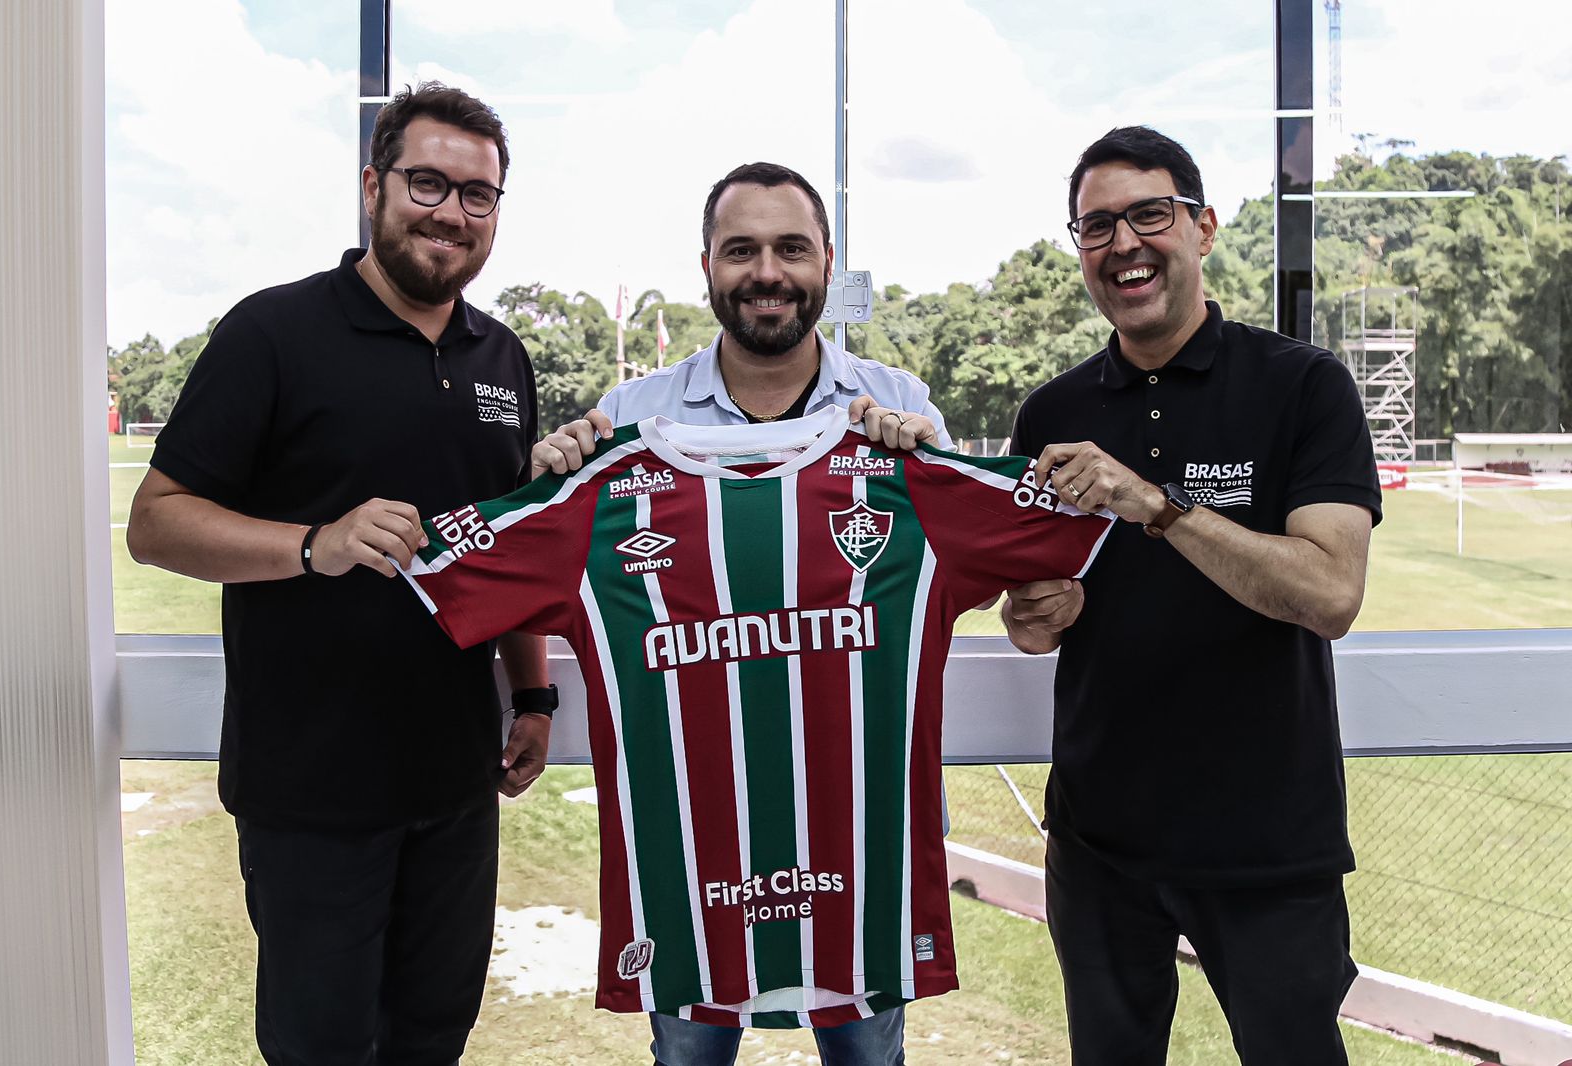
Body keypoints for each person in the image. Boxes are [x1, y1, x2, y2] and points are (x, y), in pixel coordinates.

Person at [125, 82, 555, 1066]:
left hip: (456, 785)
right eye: (427, 182)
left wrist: (531, 694)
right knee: (321, 1049)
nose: (450, 210)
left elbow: (503, 546)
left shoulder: (504, 358)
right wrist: (314, 543)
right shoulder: (274, 332)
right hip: (312, 795)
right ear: (375, 185)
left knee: (432, 1039)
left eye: (476, 193)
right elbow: (156, 523)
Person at [534, 162, 946, 1066]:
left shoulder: (903, 410)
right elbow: (532, 570)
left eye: (790, 248)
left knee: (867, 1059)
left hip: (860, 839)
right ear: (708, 267)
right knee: (689, 1060)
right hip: (689, 845)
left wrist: (928, 472)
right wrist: (547, 485)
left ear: (827, 264)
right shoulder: (627, 422)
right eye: (742, 250)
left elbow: (1006, 592)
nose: (768, 271)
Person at [1001, 125, 1381, 1066]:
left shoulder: (1304, 387)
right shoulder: (1050, 414)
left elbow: (1330, 594)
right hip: (1099, 845)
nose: (1124, 244)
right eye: (1097, 227)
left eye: (1149, 216)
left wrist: (1158, 506)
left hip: (1267, 843)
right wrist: (1030, 614)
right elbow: (1030, 607)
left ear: (1203, 229)